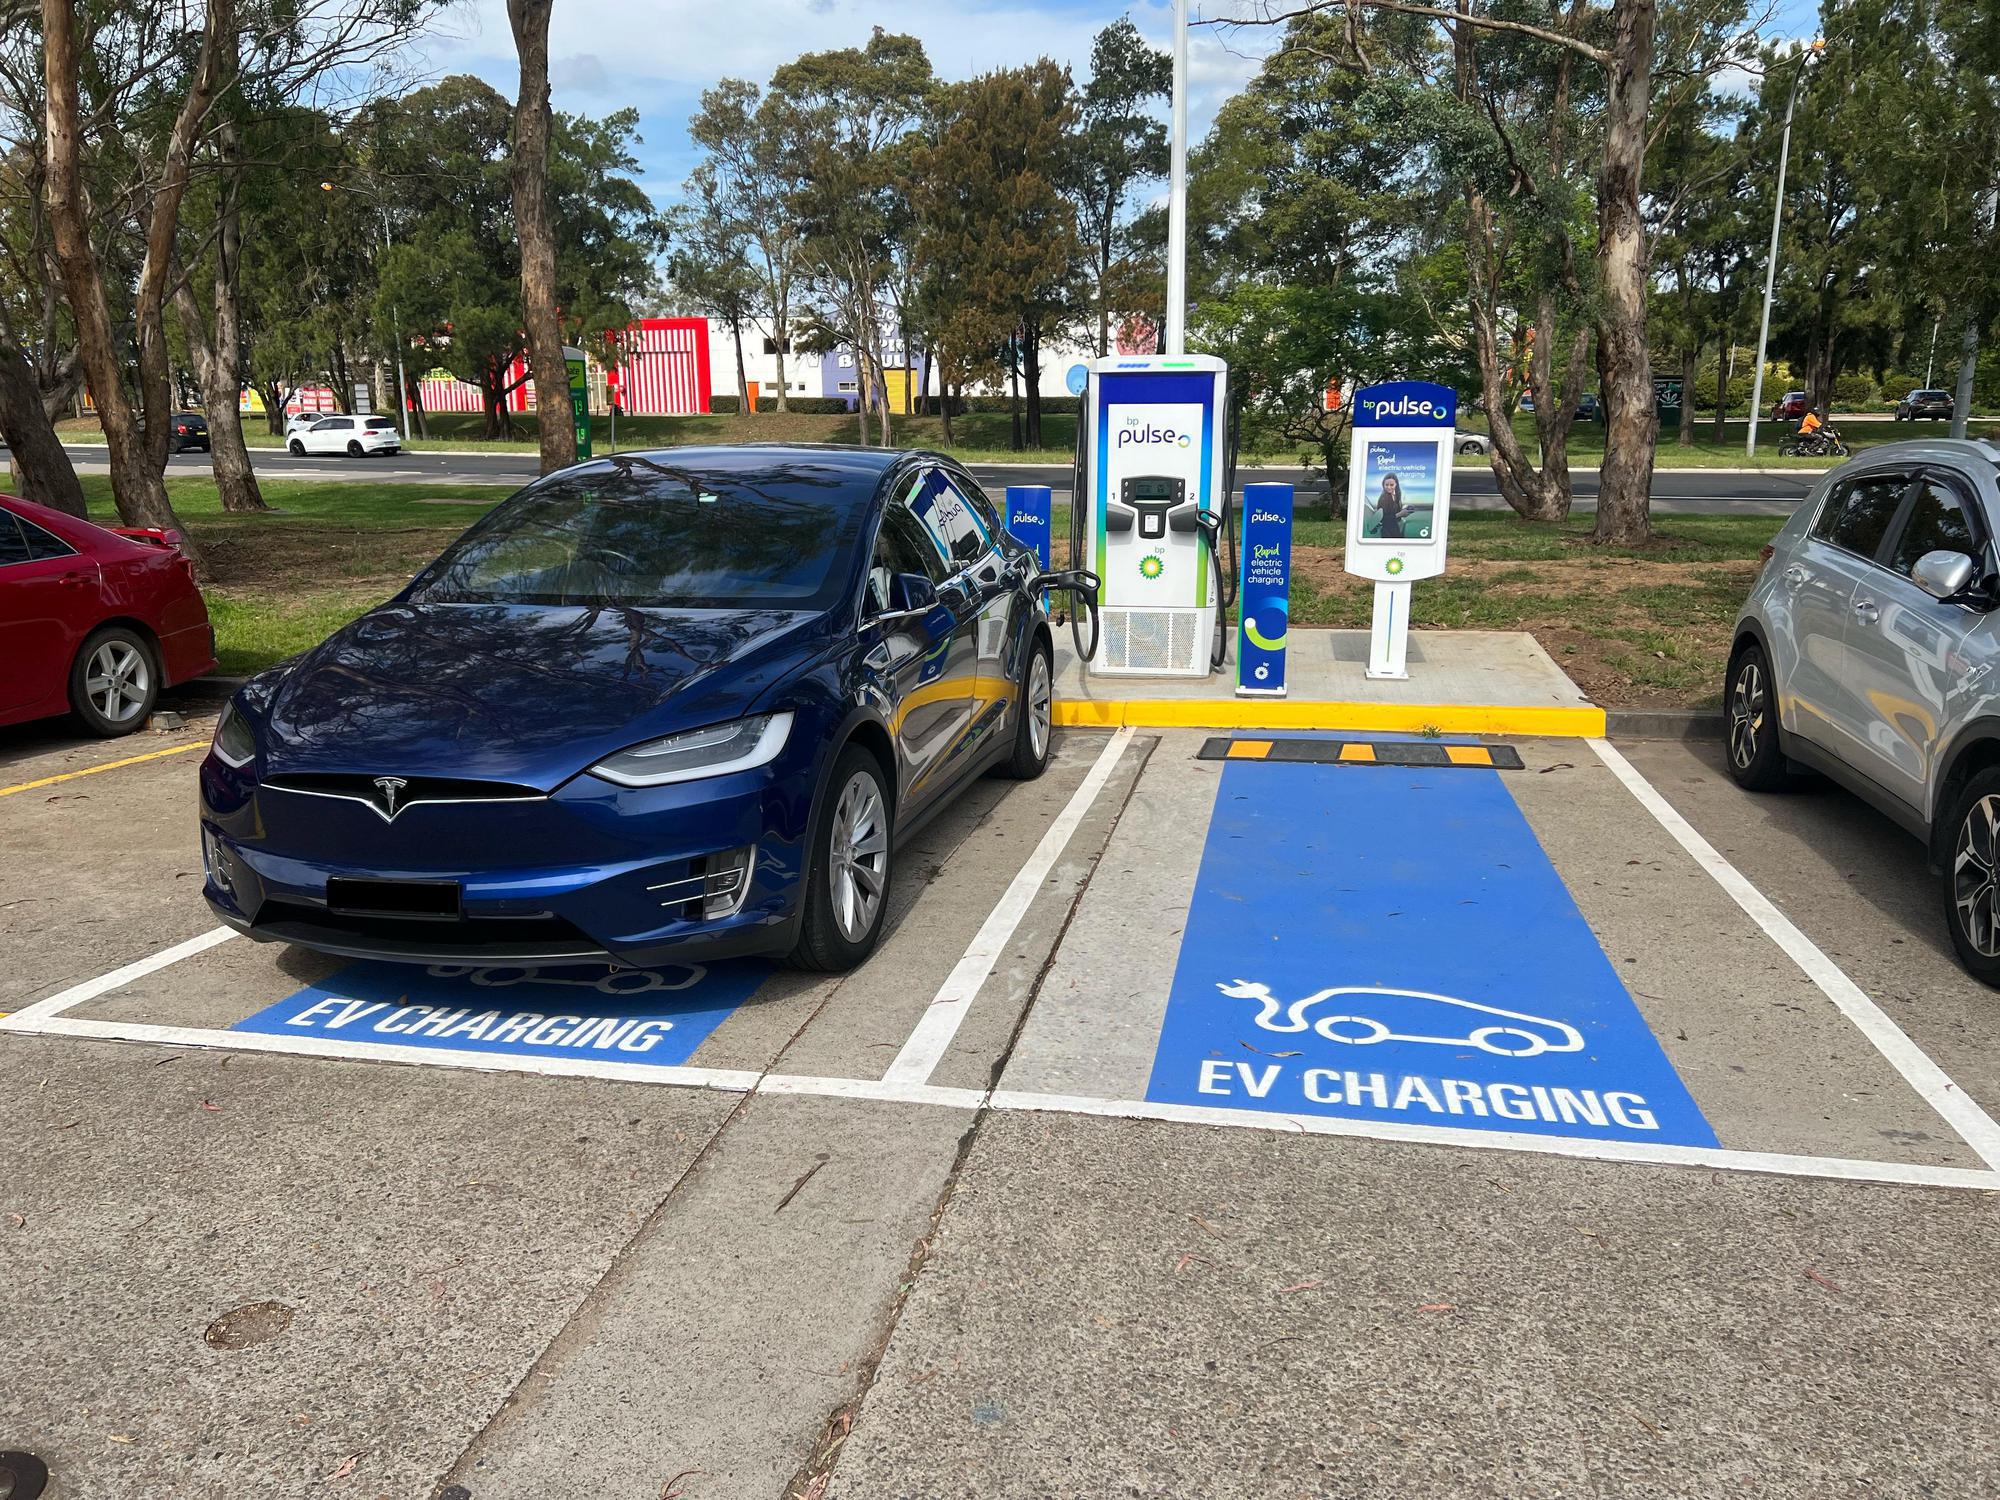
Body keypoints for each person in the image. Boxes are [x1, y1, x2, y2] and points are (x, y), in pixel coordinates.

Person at [1373, 473, 1408, 540]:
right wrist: (1399, 514)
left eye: (1391, 485)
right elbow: (1382, 518)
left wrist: (1403, 512)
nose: (1389, 487)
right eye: (1386, 485)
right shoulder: (1383, 498)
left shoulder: (1397, 495)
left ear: (1396, 484)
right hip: (1387, 531)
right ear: (1383, 485)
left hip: (1395, 527)